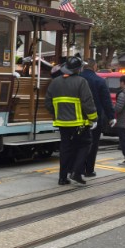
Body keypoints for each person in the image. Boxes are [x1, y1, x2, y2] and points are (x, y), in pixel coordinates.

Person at [45, 56, 98, 186]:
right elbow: (87, 102)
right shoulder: (81, 82)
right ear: (78, 69)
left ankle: (62, 178)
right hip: (79, 123)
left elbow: (48, 103)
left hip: (62, 123)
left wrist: (57, 114)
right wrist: (94, 118)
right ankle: (76, 172)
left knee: (65, 149)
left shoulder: (55, 82)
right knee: (85, 144)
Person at [80, 62, 116, 177]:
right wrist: (111, 116)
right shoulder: (100, 81)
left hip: (78, 117)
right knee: (93, 143)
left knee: (78, 144)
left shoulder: (77, 79)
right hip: (95, 117)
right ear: (94, 67)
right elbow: (106, 100)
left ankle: (77, 168)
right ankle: (89, 170)